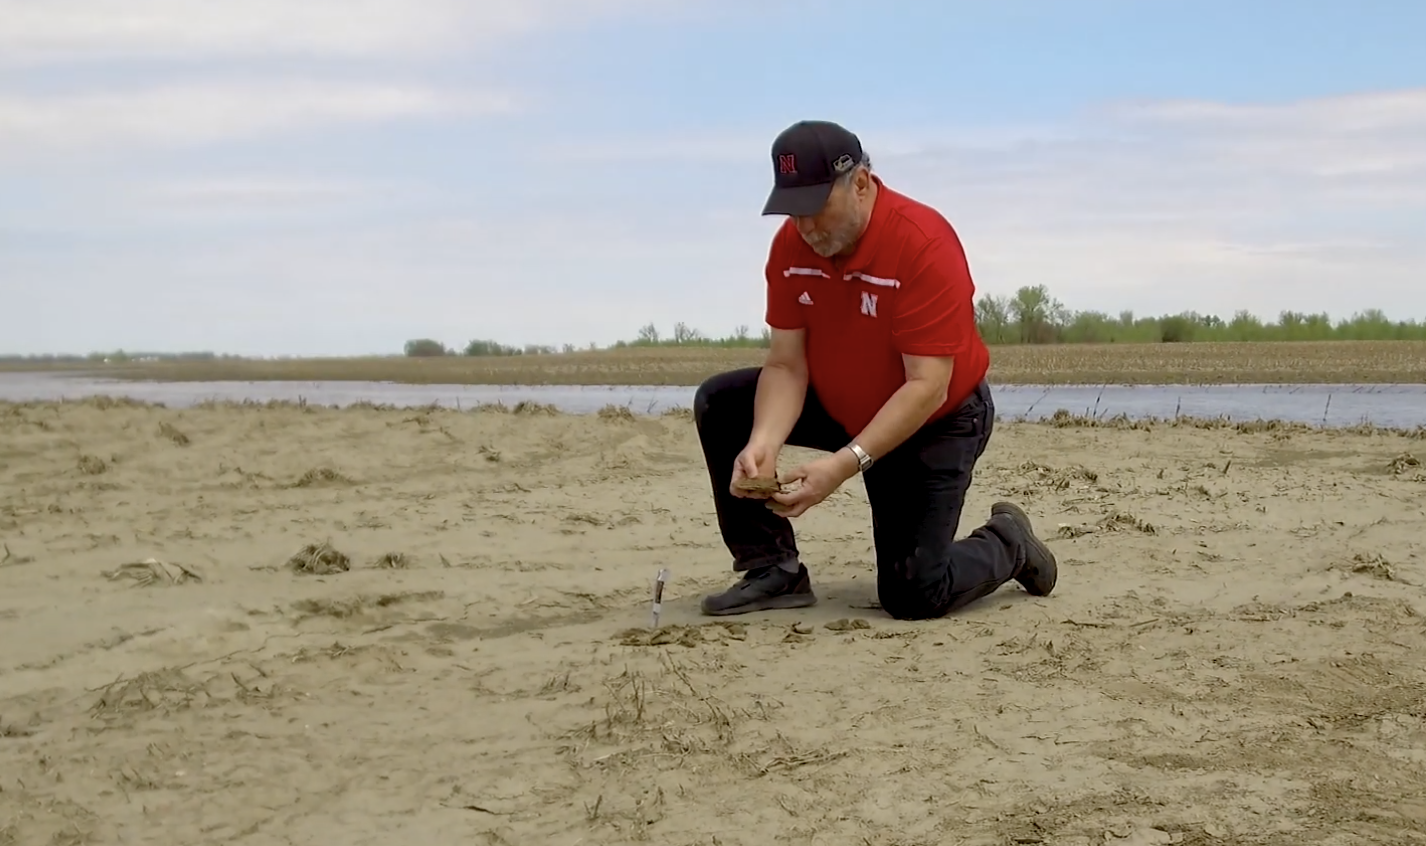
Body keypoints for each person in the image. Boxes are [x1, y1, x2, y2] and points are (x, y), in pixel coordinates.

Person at [692, 119, 1059, 621]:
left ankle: (1009, 541)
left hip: (936, 421)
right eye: (792, 211)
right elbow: (785, 364)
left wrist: (843, 464)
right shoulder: (790, 247)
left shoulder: (922, 243)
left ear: (860, 183)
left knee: (914, 594)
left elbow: (927, 387)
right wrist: (765, 442)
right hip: (844, 404)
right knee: (722, 401)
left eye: (817, 208)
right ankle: (772, 569)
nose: (805, 228)